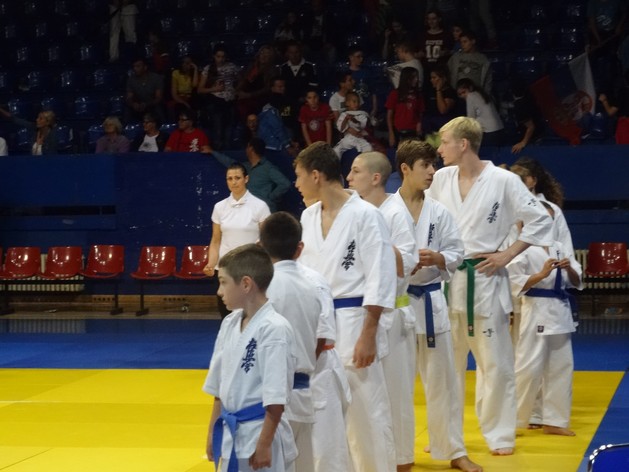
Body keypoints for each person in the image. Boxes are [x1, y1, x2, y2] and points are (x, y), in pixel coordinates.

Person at [426, 116, 553, 455]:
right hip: (446, 280)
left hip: (485, 278)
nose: (439, 149)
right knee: (445, 367)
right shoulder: (441, 179)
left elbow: (540, 221)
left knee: (495, 365)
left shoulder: (503, 181)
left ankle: (500, 436)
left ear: (463, 144)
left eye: (444, 142)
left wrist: (507, 254)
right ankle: (445, 437)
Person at [294, 142, 397, 472]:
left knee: (367, 412)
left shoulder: (366, 215)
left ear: (316, 175)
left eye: (299, 176)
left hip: (355, 320)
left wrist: (369, 333)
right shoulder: (308, 216)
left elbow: (381, 276)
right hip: (318, 326)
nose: (296, 183)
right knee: (323, 414)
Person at [395, 139, 482, 472]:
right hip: (400, 304)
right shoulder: (385, 211)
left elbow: (458, 252)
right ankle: (401, 455)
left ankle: (454, 451)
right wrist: (402, 264)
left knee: (443, 382)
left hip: (432, 301)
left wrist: (440, 257)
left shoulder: (440, 211)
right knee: (398, 385)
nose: (432, 171)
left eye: (433, 164)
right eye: (425, 166)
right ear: (405, 169)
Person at [346, 151, 417, 472]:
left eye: (355, 171)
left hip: (394, 314)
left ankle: (401, 459)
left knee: (396, 393)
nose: (349, 178)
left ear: (375, 178)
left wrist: (377, 241)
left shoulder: (396, 213)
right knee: (366, 396)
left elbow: (408, 263)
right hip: (362, 314)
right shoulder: (354, 212)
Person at [203, 244, 297, 472]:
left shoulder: (274, 328)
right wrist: (212, 431)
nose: (219, 291)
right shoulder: (229, 323)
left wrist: (264, 444)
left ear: (246, 284)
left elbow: (276, 396)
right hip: (231, 432)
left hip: (260, 434)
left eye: (223, 282)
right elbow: (218, 388)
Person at [507, 201, 583, 437]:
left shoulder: (559, 247)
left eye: (551, 219)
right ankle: (513, 421)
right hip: (536, 310)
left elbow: (577, 281)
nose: (548, 223)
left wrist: (569, 269)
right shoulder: (522, 249)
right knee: (528, 368)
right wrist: (541, 274)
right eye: (543, 219)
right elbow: (513, 282)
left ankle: (555, 421)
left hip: (560, 312)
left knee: (561, 368)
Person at [260, 211, 323, 472]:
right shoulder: (314, 285)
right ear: (299, 248)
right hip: (303, 393)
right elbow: (321, 340)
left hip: (271, 399)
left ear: (261, 246)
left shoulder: (260, 289)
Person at [203, 163, 270, 318]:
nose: (234, 182)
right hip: (226, 268)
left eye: (237, 178)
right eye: (230, 178)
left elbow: (266, 240)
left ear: (246, 179)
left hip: (251, 269)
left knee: (251, 313)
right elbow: (215, 240)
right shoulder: (219, 207)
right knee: (226, 314)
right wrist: (211, 264)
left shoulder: (260, 206)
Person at [210, 137, 291, 212]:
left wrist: (270, 197)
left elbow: (285, 183)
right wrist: (212, 152)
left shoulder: (268, 168)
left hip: (264, 211)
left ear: (251, 149)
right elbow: (230, 163)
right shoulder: (246, 166)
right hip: (249, 210)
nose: (246, 150)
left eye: (247, 147)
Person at [197, 44, 239, 150]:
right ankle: (217, 151)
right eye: (218, 56)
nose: (220, 59)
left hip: (230, 101)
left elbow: (241, 80)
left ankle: (228, 152)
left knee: (229, 129)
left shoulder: (232, 67)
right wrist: (214, 89)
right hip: (215, 101)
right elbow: (200, 89)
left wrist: (236, 90)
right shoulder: (208, 68)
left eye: (223, 56)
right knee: (218, 129)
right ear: (214, 56)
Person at [235, 45, 277, 122]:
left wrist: (249, 95)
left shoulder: (272, 70)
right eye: (262, 53)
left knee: (245, 107)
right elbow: (244, 79)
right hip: (246, 94)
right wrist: (238, 90)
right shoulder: (252, 66)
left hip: (260, 97)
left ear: (271, 57)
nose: (263, 56)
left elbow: (268, 88)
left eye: (267, 54)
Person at [456, 78, 504, 146]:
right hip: (498, 128)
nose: (463, 96)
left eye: (464, 92)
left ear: (470, 88)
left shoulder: (471, 96)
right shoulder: (481, 94)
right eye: (460, 94)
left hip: (489, 131)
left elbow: (471, 119)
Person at [385, 67, 425, 148]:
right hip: (398, 131)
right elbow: (389, 116)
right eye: (414, 77)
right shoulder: (395, 94)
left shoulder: (418, 95)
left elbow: (420, 113)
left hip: (413, 132)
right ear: (407, 78)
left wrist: (419, 124)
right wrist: (391, 133)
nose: (416, 79)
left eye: (417, 77)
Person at [279, 41, 319, 113]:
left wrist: (304, 97)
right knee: (285, 117)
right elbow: (281, 87)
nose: (294, 55)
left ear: (301, 52)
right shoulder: (283, 68)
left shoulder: (309, 67)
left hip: (305, 102)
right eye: (291, 53)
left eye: (296, 52)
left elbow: (313, 86)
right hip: (286, 102)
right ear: (287, 53)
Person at [448, 30, 492, 94]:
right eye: (461, 42)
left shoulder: (482, 59)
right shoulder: (455, 57)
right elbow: (448, 74)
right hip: (458, 93)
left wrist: (485, 95)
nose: (462, 45)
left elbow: (488, 79)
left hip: (476, 93)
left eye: (465, 42)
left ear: (473, 41)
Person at [422, 65, 459, 140]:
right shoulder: (430, 91)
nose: (431, 80)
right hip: (430, 129)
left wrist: (438, 90)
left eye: (434, 78)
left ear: (443, 78)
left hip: (444, 129)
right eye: (431, 78)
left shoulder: (450, 92)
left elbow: (443, 110)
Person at [125, 57, 165, 124]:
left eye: (138, 66)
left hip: (152, 104)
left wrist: (147, 104)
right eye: (134, 66)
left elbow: (158, 98)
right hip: (138, 106)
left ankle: (161, 126)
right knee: (127, 108)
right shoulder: (131, 80)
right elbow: (129, 97)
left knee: (158, 107)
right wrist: (133, 104)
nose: (135, 69)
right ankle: (126, 127)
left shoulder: (156, 78)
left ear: (145, 67)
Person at [333, 91, 373, 158]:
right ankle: (336, 164)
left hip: (359, 138)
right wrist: (345, 119)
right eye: (354, 101)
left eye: (358, 102)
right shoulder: (344, 114)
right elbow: (340, 128)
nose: (356, 104)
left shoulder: (361, 114)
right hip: (347, 139)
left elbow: (362, 126)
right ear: (347, 103)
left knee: (369, 148)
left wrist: (354, 120)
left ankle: (364, 163)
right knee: (336, 150)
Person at [167, 55, 199, 121]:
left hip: (190, 97)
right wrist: (184, 103)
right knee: (179, 107)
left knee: (195, 103)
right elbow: (174, 94)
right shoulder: (176, 73)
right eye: (183, 62)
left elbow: (194, 85)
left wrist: (195, 69)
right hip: (179, 97)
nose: (185, 65)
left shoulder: (193, 73)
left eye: (188, 63)